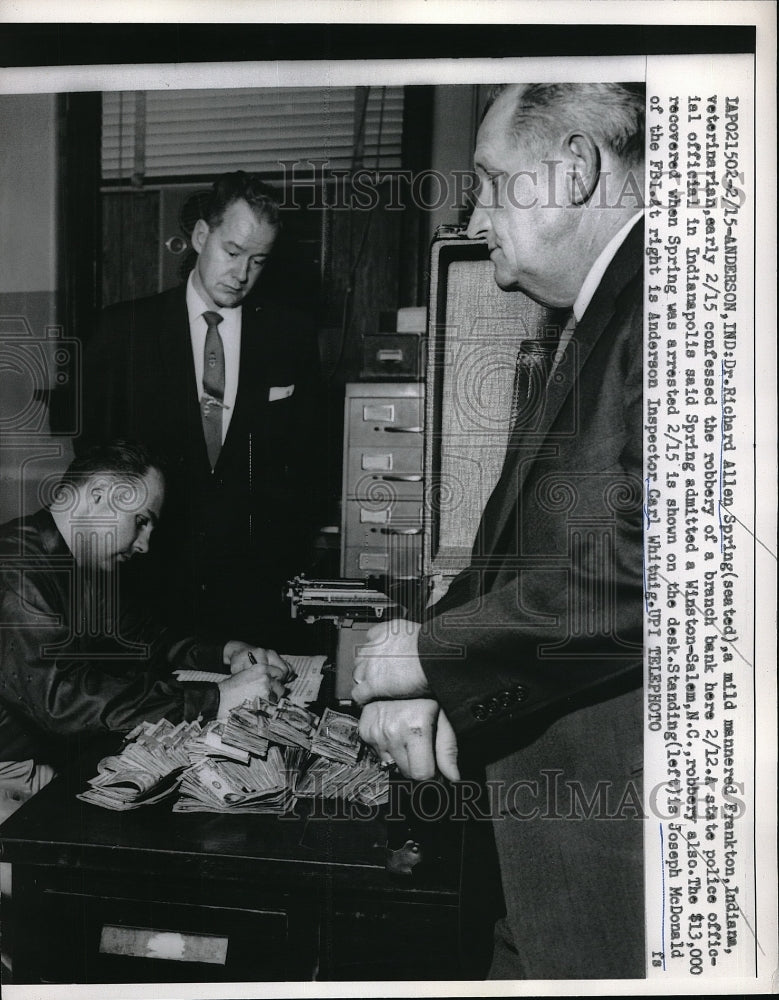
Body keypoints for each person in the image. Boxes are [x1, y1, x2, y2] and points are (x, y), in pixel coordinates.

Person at [352, 83, 646, 979]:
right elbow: (525, 555)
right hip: (555, 848)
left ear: (574, 169)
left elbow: (662, 565)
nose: (477, 217)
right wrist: (445, 673)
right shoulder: (592, 314)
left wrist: (430, 655)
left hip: (610, 859)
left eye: (491, 180)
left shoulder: (672, 301)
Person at [79, 171, 322, 645]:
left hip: (253, 597)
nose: (242, 274)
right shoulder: (121, 332)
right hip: (147, 594)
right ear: (200, 235)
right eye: (232, 252)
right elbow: (93, 459)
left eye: (258, 260)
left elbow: (310, 461)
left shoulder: (289, 337)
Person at [0, 442, 288, 822]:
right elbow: (63, 702)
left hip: (36, 763)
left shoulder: (76, 562)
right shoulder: (15, 569)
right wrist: (217, 698)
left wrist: (225, 651)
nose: (146, 545)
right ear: (99, 495)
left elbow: (140, 638)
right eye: (141, 521)